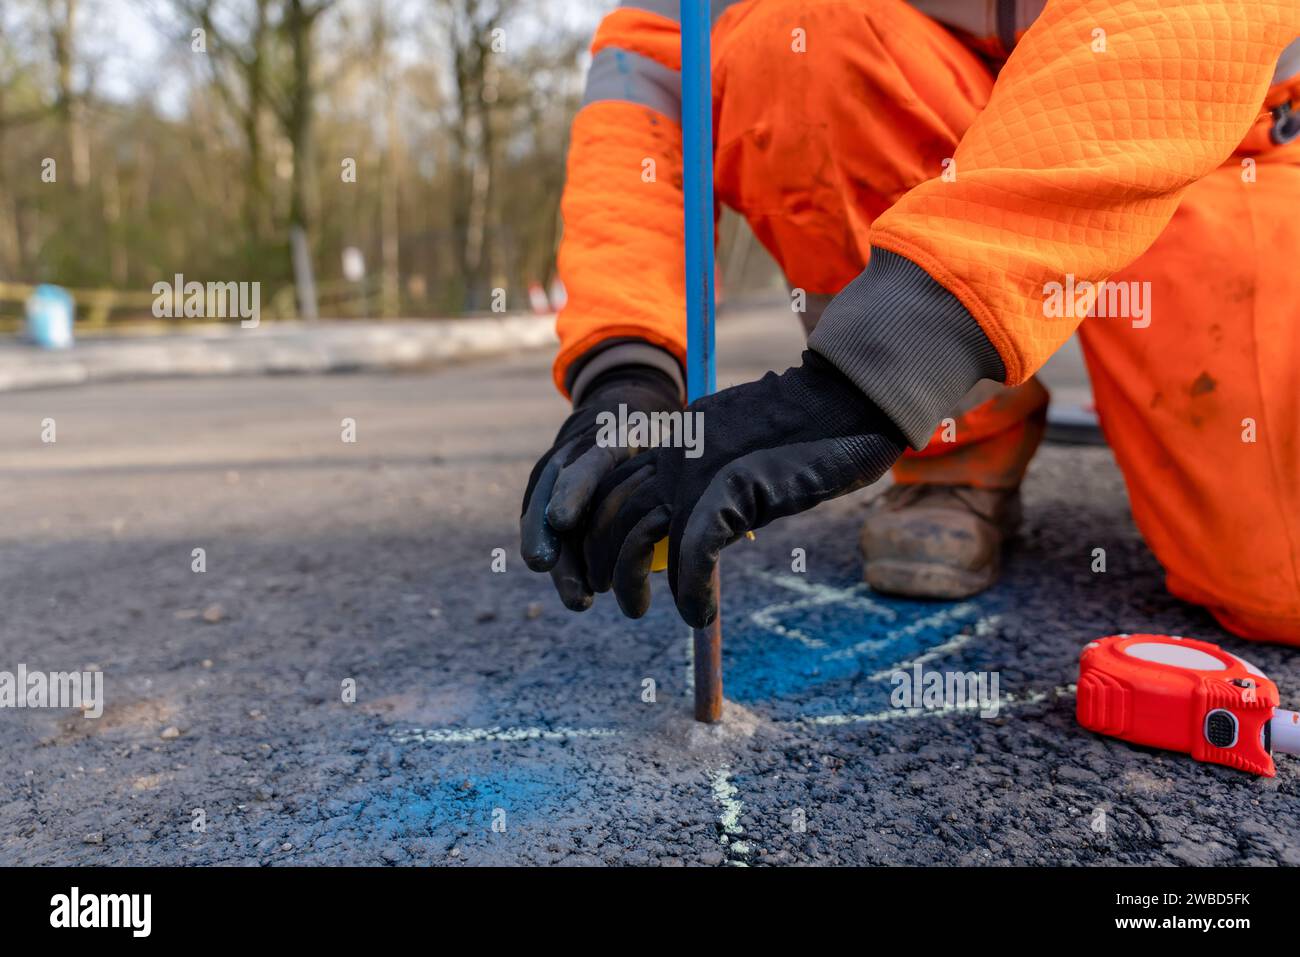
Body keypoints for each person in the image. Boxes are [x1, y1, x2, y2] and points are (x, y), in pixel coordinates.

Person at [521, 0, 1300, 645]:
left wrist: (878, 369)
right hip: (949, 127)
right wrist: (627, 366)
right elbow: (656, 66)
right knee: (797, 38)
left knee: (1279, 580)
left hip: (1237, 138)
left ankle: (937, 383)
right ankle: (957, 453)